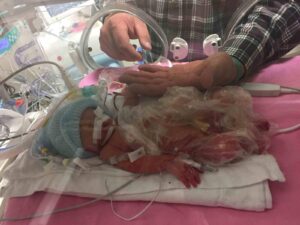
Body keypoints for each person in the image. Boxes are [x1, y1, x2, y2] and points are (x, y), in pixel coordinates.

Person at [32, 82, 271, 188]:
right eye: (85, 132)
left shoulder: (118, 119)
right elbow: (140, 163)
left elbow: (131, 100)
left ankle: (234, 118)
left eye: (90, 118)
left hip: (177, 116)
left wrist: (130, 89)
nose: (95, 126)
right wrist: (168, 163)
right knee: (218, 149)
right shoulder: (109, 152)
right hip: (177, 142)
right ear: (84, 150)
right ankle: (244, 137)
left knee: (210, 103)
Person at [99, 0, 300, 96]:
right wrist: (116, 12)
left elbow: (284, 7)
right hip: (154, 78)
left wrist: (233, 58)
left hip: (239, 78)